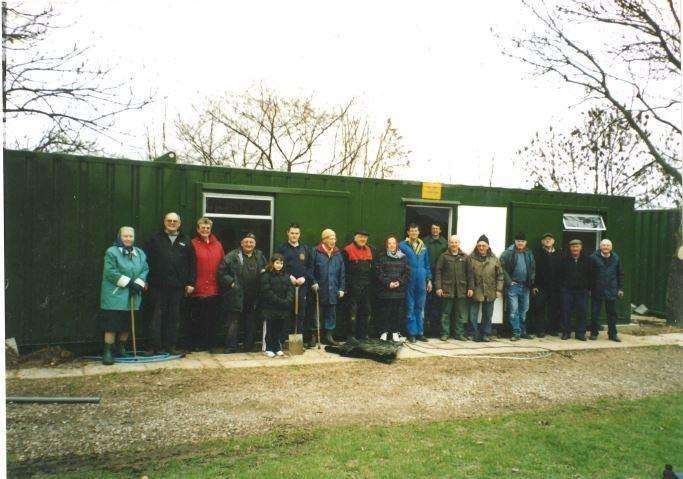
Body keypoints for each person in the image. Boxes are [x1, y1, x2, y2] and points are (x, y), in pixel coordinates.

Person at [144, 212, 195, 355]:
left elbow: (192, 263)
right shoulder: (154, 239)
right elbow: (145, 261)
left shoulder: (186, 240)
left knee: (174, 318)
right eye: (169, 220)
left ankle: (170, 346)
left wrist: (191, 282)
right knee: (156, 317)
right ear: (164, 222)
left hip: (177, 287)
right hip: (157, 285)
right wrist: (145, 280)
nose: (172, 223)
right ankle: (155, 347)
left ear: (179, 223)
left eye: (175, 221)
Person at [99, 226, 149, 365]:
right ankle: (108, 351)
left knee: (127, 322)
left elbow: (144, 269)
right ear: (119, 237)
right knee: (112, 323)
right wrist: (128, 283)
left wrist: (138, 283)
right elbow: (110, 272)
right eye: (125, 236)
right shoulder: (112, 252)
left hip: (133, 293)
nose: (128, 239)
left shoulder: (139, 253)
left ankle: (121, 348)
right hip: (115, 295)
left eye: (130, 236)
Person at [217, 232, 267, 352]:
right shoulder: (233, 255)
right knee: (234, 322)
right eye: (246, 242)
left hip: (253, 295)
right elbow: (221, 272)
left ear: (255, 244)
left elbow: (266, 270)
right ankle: (231, 347)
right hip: (236, 294)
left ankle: (248, 346)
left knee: (251, 322)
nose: (248, 244)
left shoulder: (260, 256)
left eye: (251, 242)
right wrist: (231, 283)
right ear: (241, 243)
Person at [275, 223, 315, 347]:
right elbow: (277, 265)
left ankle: (296, 344)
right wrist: (289, 277)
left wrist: (304, 278)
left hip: (302, 287)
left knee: (300, 314)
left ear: (299, 234)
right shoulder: (281, 248)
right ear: (288, 233)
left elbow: (310, 267)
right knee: (286, 313)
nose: (294, 235)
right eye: (292, 233)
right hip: (286, 286)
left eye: (296, 233)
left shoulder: (305, 249)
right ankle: (281, 341)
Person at [189, 217, 225, 352]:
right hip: (197, 288)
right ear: (198, 229)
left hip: (214, 288)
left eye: (207, 228)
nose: (205, 230)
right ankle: (197, 345)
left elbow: (223, 264)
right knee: (197, 318)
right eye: (202, 228)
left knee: (212, 318)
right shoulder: (192, 243)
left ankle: (211, 345)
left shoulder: (218, 245)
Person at [311, 228, 346, 346]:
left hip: (333, 290)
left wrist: (341, 288)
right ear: (324, 239)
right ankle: (314, 336)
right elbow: (310, 270)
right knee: (317, 314)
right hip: (319, 290)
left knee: (331, 314)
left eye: (335, 238)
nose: (334, 241)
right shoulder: (316, 252)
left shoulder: (337, 253)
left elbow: (342, 273)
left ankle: (329, 336)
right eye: (331, 238)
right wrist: (313, 282)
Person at [467, 235, 503, 342]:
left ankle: (486, 334)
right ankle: (473, 333)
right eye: (479, 245)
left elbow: (500, 275)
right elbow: (468, 274)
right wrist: (470, 288)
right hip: (475, 289)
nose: (481, 247)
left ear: (488, 246)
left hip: (490, 290)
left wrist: (498, 289)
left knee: (488, 314)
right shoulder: (471, 258)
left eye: (483, 245)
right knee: (472, 314)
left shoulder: (494, 259)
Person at [399, 224, 432, 343]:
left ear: (418, 232)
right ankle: (411, 333)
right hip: (409, 279)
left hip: (422, 280)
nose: (413, 233)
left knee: (420, 307)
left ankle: (420, 332)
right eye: (411, 231)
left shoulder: (423, 246)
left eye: (416, 231)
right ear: (408, 232)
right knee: (410, 306)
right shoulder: (402, 245)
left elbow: (427, 264)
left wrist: (429, 280)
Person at [500, 232, 536, 341]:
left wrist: (531, 282)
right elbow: (501, 268)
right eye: (518, 241)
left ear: (526, 243)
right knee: (513, 310)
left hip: (525, 286)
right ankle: (516, 332)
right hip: (513, 286)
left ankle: (522, 331)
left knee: (524, 309)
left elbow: (533, 268)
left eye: (522, 241)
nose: (520, 243)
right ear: (515, 241)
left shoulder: (529, 253)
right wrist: (509, 281)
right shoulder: (508, 253)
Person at [374, 235, 410, 342]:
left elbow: (407, 273)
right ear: (387, 245)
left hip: (399, 291)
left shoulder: (403, 257)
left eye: (393, 243)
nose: (391, 245)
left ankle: (395, 332)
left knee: (396, 312)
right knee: (385, 312)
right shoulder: (381, 257)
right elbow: (378, 272)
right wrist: (388, 283)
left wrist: (399, 282)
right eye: (389, 243)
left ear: (396, 244)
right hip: (385, 291)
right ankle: (384, 333)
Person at [434, 235, 470, 341]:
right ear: (449, 243)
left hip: (461, 289)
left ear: (459, 243)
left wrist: (470, 288)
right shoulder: (443, 256)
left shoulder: (465, 257)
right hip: (447, 289)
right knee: (446, 312)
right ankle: (445, 333)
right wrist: (438, 287)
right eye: (452, 242)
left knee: (459, 313)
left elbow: (470, 274)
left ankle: (459, 334)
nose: (454, 244)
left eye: (456, 242)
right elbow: (438, 272)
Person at [589, 239, 625, 342]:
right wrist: (590, 288)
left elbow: (620, 274)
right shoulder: (593, 258)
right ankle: (594, 333)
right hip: (597, 289)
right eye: (604, 245)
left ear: (611, 247)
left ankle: (613, 334)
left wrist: (620, 288)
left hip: (611, 289)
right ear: (600, 247)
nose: (606, 247)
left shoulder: (616, 258)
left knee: (612, 313)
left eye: (608, 245)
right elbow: (589, 275)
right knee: (595, 312)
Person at [260, 253, 295, 357]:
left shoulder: (285, 275)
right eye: (277, 263)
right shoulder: (266, 275)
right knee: (270, 327)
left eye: (281, 263)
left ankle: (277, 347)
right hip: (271, 307)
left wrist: (288, 300)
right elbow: (267, 291)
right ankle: (268, 348)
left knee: (279, 328)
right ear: (272, 263)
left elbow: (290, 289)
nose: (279, 265)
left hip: (283, 307)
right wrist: (279, 301)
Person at [559, 239, 594, 341]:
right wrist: (563, 287)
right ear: (570, 248)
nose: (575, 248)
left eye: (577, 246)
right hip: (567, 290)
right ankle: (566, 333)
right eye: (573, 246)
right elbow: (559, 275)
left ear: (581, 247)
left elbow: (591, 276)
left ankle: (580, 333)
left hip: (582, 291)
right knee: (566, 312)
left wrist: (589, 288)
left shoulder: (588, 260)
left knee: (582, 312)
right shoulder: (564, 259)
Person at [342, 230, 374, 341]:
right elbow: (344, 271)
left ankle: (364, 335)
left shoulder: (369, 250)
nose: (363, 239)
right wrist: (345, 287)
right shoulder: (347, 250)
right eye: (360, 237)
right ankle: (351, 336)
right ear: (355, 237)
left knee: (366, 311)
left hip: (366, 286)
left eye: (365, 237)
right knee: (352, 311)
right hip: (353, 286)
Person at [532, 233, 562, 337]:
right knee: (539, 308)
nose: (548, 241)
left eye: (550, 239)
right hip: (541, 286)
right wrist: (534, 285)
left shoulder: (559, 253)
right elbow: (533, 270)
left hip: (555, 287)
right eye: (545, 239)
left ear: (553, 241)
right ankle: (540, 330)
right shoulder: (537, 253)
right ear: (542, 242)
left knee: (553, 308)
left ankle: (552, 329)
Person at [424, 222, 448, 336]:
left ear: (440, 230)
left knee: (438, 303)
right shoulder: (424, 241)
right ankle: (424, 329)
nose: (435, 231)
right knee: (425, 302)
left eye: (437, 229)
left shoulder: (445, 243)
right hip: (426, 275)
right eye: (433, 228)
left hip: (439, 276)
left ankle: (435, 329)